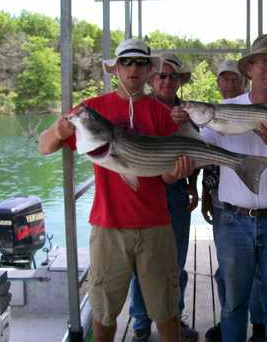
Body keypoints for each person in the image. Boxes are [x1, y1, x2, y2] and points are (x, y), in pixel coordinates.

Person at [38, 38, 195, 342]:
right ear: (115, 69)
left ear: (150, 70)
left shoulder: (161, 114)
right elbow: (44, 147)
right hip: (108, 226)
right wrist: (59, 130)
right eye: (126, 62)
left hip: (156, 226)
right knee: (104, 311)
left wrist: (176, 175)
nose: (133, 68)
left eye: (140, 62)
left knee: (166, 308)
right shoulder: (91, 110)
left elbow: (165, 177)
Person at [173, 34, 267, 342]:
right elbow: (195, 150)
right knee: (233, 304)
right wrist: (182, 123)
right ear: (249, 70)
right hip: (232, 221)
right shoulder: (221, 110)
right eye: (262, 62)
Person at [128, 52, 199, 342]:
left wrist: (193, 186)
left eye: (173, 76)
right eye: (161, 75)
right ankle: (141, 323)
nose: (167, 80)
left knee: (176, 262)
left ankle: (174, 317)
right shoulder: (138, 108)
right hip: (146, 191)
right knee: (141, 263)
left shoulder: (191, 111)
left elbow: (195, 151)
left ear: (180, 81)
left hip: (177, 190)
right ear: (152, 79)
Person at [203, 60, 265, 342]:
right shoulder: (210, 115)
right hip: (221, 202)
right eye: (224, 80)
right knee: (228, 269)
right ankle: (228, 322)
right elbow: (205, 159)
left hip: (251, 201)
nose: (229, 84)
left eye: (234, 80)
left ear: (244, 82)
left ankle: (259, 324)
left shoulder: (253, 112)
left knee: (256, 273)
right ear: (218, 83)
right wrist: (205, 195)